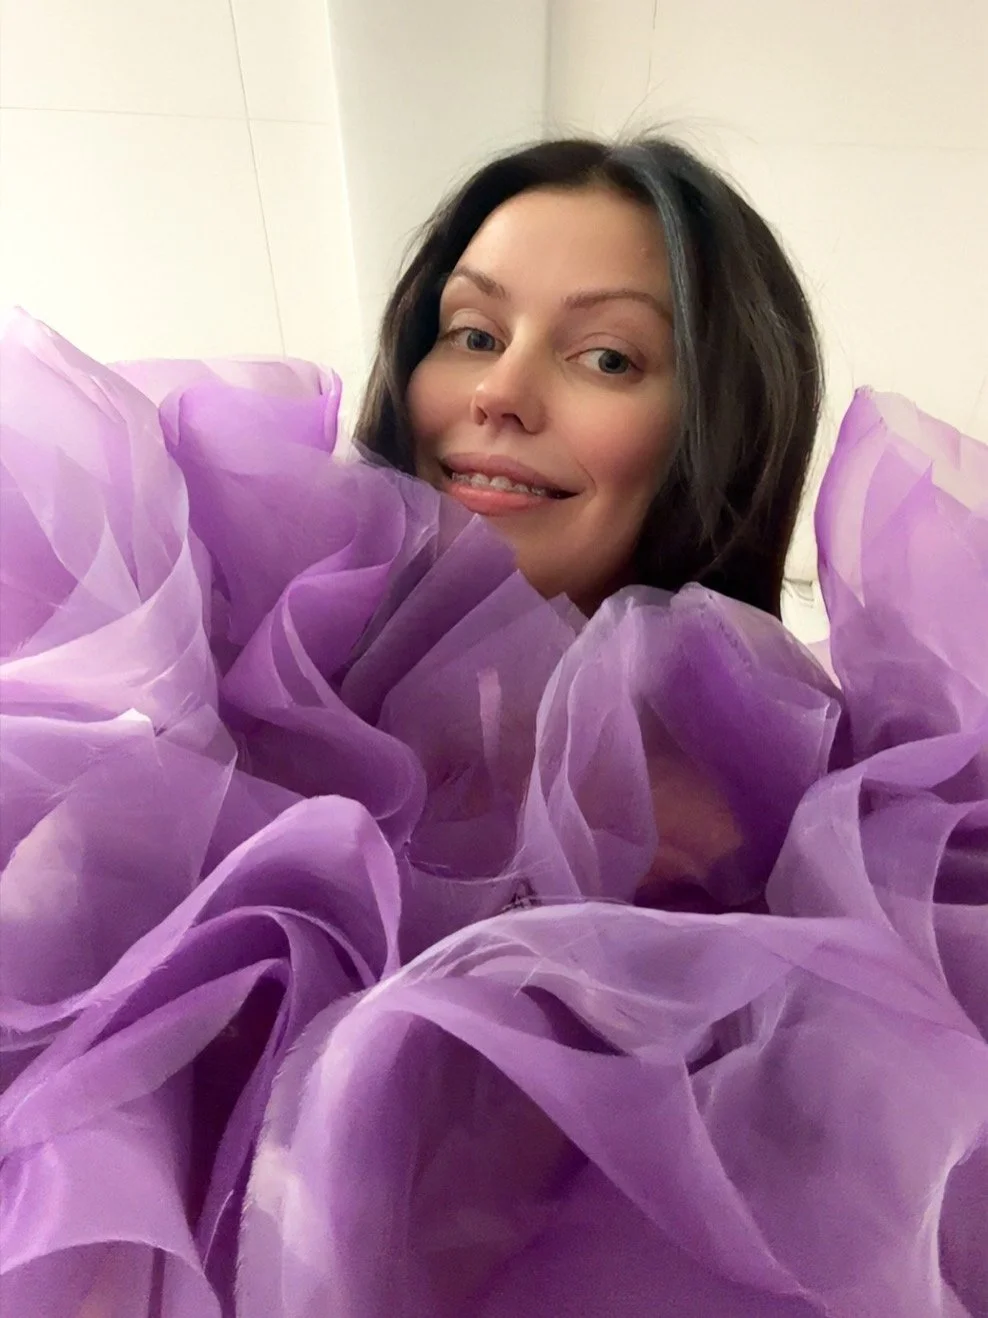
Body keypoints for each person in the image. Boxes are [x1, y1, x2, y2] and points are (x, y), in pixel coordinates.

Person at [0, 136, 985, 1318]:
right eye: (470, 333)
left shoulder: (750, 838)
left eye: (605, 356)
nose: (499, 393)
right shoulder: (228, 686)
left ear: (713, 428)